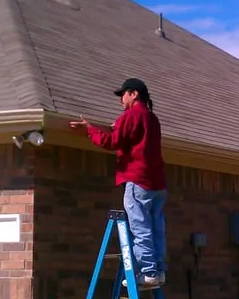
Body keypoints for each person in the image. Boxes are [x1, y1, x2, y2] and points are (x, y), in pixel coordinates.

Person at [70, 78, 168, 286]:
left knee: (140, 228)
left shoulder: (132, 115)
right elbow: (131, 135)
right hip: (157, 183)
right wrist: (118, 126)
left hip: (137, 179)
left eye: (122, 94)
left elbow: (111, 141)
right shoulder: (151, 118)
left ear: (134, 94)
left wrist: (89, 129)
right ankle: (158, 271)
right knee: (155, 227)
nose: (120, 100)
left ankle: (148, 271)